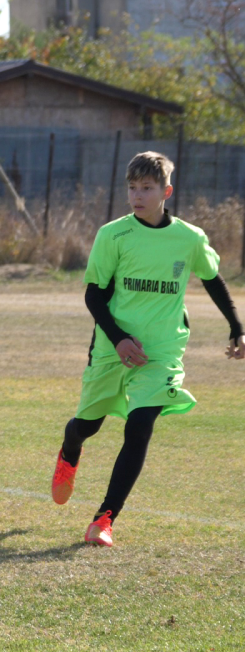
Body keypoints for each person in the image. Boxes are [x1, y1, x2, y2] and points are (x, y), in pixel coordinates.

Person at [51, 151, 243, 546]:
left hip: (161, 351)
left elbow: (212, 279)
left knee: (139, 427)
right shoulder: (113, 235)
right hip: (110, 346)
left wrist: (236, 327)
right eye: (132, 188)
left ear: (166, 191)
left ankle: (103, 520)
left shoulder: (189, 238)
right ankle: (69, 452)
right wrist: (119, 339)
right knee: (88, 425)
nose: (137, 195)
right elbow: (94, 297)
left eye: (147, 188)